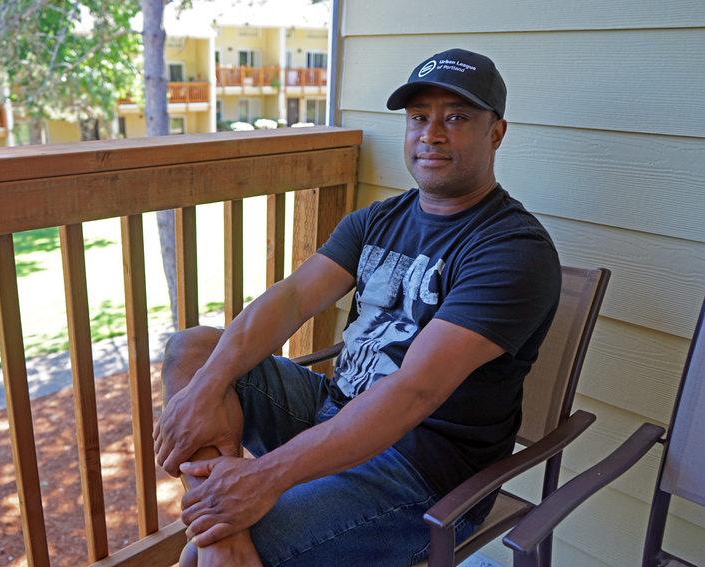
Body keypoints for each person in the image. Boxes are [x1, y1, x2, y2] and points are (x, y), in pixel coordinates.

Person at [153, 47, 562, 567]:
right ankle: (224, 518)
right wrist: (206, 389)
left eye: (456, 118)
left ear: (495, 133)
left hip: (422, 473)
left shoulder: (511, 250)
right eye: (419, 118)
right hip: (333, 410)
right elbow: (294, 298)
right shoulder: (378, 220)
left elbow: (413, 391)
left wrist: (263, 478)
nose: (431, 134)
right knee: (194, 351)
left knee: (204, 555)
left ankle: (225, 526)